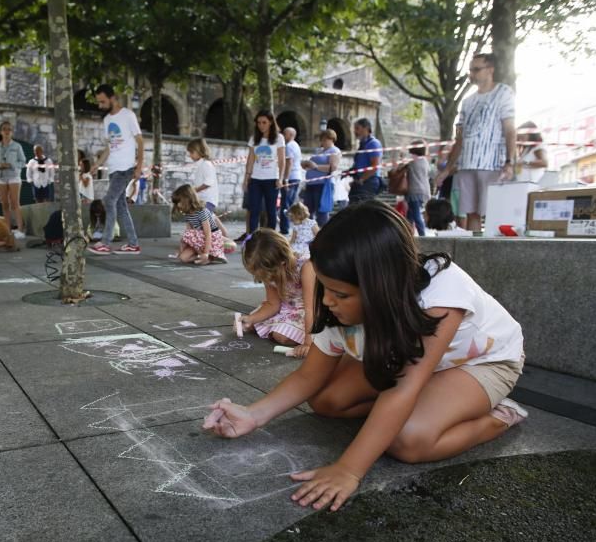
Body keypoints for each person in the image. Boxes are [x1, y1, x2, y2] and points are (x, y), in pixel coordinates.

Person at [203, 202, 527, 511]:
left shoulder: (441, 293)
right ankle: (419, 408)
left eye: (341, 294)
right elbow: (309, 376)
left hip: (483, 363)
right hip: (409, 364)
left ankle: (498, 417)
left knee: (408, 440)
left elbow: (402, 387)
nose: (328, 301)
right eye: (325, 288)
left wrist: (349, 469)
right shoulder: (337, 298)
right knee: (326, 399)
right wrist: (253, 415)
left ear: (380, 287)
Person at [436, 53, 516, 232]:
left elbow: (510, 129)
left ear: (490, 70)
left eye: (476, 69)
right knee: (471, 212)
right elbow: (459, 137)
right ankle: (476, 246)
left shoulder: (503, 93)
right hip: (466, 164)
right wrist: (447, 169)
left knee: (492, 211)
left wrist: (509, 162)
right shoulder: (467, 102)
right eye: (470, 70)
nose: (472, 74)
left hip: (492, 163)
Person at [237, 228, 316, 357]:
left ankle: (316, 338)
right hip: (287, 308)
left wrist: (308, 343)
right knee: (252, 324)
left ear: (282, 263)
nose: (267, 280)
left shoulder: (306, 267)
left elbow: (311, 308)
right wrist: (250, 319)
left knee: (281, 336)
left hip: (310, 310)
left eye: (268, 276)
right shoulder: (271, 271)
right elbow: (272, 304)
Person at [87, 84, 142, 255]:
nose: (100, 105)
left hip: (125, 168)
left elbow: (140, 141)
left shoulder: (127, 115)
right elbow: (109, 147)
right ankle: (133, 244)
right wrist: (97, 164)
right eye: (99, 102)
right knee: (121, 207)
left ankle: (105, 242)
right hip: (113, 168)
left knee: (109, 201)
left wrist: (139, 166)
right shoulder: (107, 120)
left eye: (102, 101)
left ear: (112, 98)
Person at [242, 110, 286, 233]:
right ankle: (252, 239)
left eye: (264, 122)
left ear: (271, 122)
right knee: (254, 210)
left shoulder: (279, 138)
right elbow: (250, 160)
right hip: (255, 180)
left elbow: (282, 161)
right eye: (259, 122)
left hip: (272, 180)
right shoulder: (254, 138)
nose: (261, 125)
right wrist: (246, 179)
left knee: (271, 211)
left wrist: (281, 178)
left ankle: (271, 240)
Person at [173, 184, 225, 265]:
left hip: (212, 238)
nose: (177, 205)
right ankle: (204, 257)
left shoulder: (201, 212)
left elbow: (208, 234)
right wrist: (181, 250)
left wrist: (206, 253)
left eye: (178, 202)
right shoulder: (187, 213)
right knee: (183, 258)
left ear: (187, 199)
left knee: (188, 234)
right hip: (200, 240)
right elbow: (188, 232)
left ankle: (208, 256)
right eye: (176, 203)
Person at [300, 129, 340, 226]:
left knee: (321, 212)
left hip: (322, 185)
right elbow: (310, 165)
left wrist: (316, 166)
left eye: (325, 139)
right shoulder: (318, 151)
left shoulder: (334, 151)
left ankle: (322, 233)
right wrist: (305, 164)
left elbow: (333, 167)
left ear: (331, 139)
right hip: (310, 184)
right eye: (322, 139)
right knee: (307, 211)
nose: (323, 142)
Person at [0, 122, 28, 237]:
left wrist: (12, 165)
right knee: (4, 204)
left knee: (15, 203)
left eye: (9, 129)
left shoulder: (17, 146)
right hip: (1, 177)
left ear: (12, 132)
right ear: (1, 131)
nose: (7, 131)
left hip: (14, 176)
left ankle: (20, 229)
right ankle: (7, 229)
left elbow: (23, 162)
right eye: (4, 129)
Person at [346, 118, 384, 204]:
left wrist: (361, 179)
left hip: (368, 181)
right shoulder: (363, 144)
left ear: (366, 128)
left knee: (361, 210)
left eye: (357, 128)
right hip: (361, 181)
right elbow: (360, 165)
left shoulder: (373, 144)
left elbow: (375, 166)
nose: (355, 131)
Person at [279, 126, 304, 235]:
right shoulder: (296, 145)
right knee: (289, 203)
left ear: (291, 135)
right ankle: (289, 227)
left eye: (285, 133)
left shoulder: (288, 146)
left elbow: (289, 163)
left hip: (291, 177)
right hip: (296, 176)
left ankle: (285, 229)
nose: (283, 135)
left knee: (285, 204)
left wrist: (286, 179)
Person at [405, 140, 431, 236]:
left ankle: (422, 234)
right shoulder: (425, 161)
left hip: (414, 191)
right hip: (424, 190)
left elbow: (401, 169)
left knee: (415, 215)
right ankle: (407, 234)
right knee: (410, 215)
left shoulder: (412, 162)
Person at [187, 138, 219, 213]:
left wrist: (194, 191)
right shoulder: (201, 164)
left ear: (199, 151)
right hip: (203, 200)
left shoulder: (206, 164)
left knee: (199, 220)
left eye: (192, 152)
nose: (190, 155)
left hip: (207, 201)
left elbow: (208, 183)